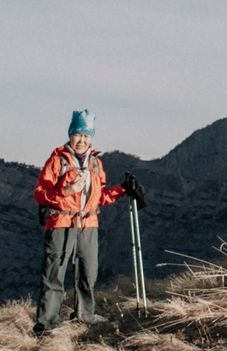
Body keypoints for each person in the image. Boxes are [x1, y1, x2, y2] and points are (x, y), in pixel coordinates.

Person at [33, 110, 145, 333]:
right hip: (62, 223)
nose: (82, 140)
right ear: (70, 135)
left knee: (88, 273)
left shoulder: (95, 164)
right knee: (54, 274)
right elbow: (40, 193)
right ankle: (46, 324)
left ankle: (84, 316)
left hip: (88, 224)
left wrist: (122, 189)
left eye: (86, 135)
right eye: (78, 134)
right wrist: (65, 191)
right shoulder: (57, 161)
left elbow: (98, 198)